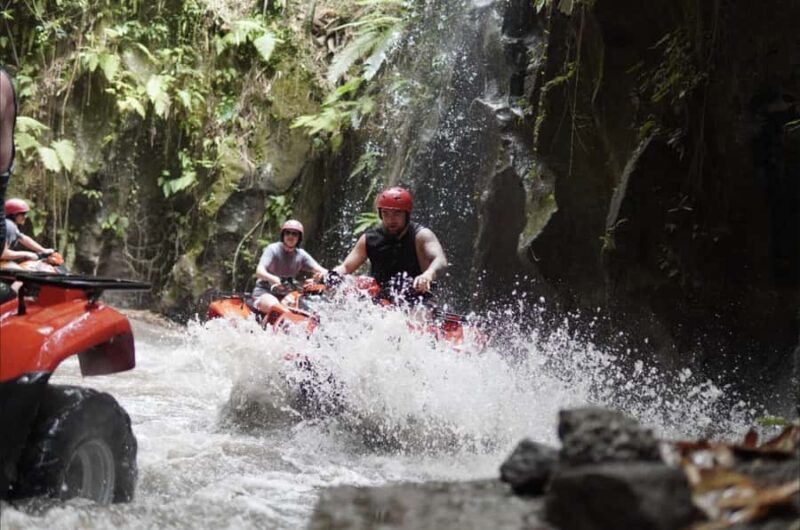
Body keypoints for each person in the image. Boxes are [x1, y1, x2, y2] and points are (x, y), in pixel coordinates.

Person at [333, 186, 448, 301]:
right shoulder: (369, 239)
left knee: (416, 313)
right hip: (381, 303)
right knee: (349, 286)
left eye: (397, 214)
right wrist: (328, 276)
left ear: (406, 215)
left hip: (418, 301)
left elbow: (440, 260)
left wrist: (428, 274)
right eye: (385, 213)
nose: (390, 220)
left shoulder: (421, 236)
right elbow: (345, 267)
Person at [252, 219, 328, 314]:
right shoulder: (272, 249)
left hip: (287, 295)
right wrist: (274, 279)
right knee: (276, 307)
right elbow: (259, 271)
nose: (290, 236)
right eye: (288, 233)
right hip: (265, 292)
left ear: (299, 238)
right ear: (283, 235)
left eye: (294, 234)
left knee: (304, 307)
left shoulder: (301, 255)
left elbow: (321, 270)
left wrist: (320, 277)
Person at [1, 198, 55, 268]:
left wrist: (43, 250)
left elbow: (23, 239)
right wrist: (27, 254)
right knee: (17, 271)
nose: (25, 217)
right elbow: (2, 253)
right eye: (22, 214)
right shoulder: (9, 226)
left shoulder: (9, 225)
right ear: (13, 215)